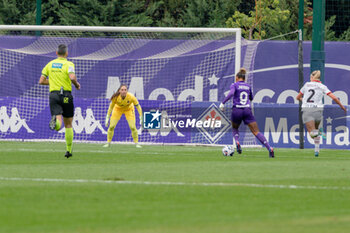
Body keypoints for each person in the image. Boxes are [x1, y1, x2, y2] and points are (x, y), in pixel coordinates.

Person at [220, 68, 274, 158]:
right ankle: (269, 148)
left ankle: (237, 141)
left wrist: (223, 103)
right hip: (247, 110)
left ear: (237, 77)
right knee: (256, 131)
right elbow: (251, 98)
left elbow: (231, 93)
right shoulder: (248, 86)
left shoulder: (234, 85)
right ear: (244, 78)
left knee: (235, 128)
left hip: (237, 110)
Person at [39, 44, 81, 159]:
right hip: (66, 95)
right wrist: (77, 85)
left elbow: (41, 81)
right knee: (68, 124)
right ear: (66, 53)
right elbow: (72, 77)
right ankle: (68, 150)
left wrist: (52, 81)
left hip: (54, 95)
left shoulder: (50, 64)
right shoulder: (69, 64)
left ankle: (56, 123)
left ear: (56, 53)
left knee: (58, 122)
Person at [296, 70, 346, 157]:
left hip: (307, 110)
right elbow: (334, 97)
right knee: (315, 129)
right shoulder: (322, 86)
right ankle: (317, 151)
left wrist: (304, 100)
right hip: (318, 110)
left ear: (312, 77)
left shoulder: (306, 85)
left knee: (312, 133)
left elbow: (298, 97)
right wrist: (341, 106)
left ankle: (320, 133)